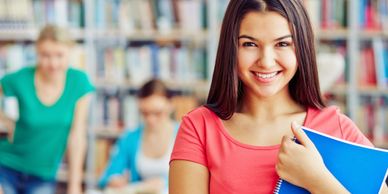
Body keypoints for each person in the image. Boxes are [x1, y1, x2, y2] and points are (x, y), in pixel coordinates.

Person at [169, 0, 384, 194]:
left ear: (301, 49)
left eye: (282, 44)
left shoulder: (337, 128)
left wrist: (318, 181)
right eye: (250, 44)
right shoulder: (199, 128)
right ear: (231, 50)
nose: (266, 61)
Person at [0, 25, 94, 194]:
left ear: (70, 52)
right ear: (36, 52)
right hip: (5, 167)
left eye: (59, 55)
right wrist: (5, 119)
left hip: (43, 176)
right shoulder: (20, 79)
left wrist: (75, 185)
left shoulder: (79, 83)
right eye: (45, 55)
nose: (53, 63)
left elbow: (77, 137)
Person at [99, 79, 179, 194]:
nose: (151, 120)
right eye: (145, 113)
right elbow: (108, 175)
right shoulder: (129, 138)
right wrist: (114, 180)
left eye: (157, 113)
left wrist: (164, 183)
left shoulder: (185, 136)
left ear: (171, 105)